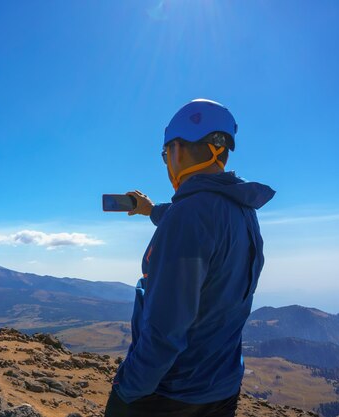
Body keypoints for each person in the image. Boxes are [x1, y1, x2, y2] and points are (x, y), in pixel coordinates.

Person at [104, 99, 275, 417]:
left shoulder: (189, 216)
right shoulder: (240, 210)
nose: (167, 161)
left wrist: (126, 392)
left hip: (171, 394)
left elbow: (166, 329)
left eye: (165, 153)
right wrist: (151, 210)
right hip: (221, 385)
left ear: (177, 150)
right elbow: (199, 230)